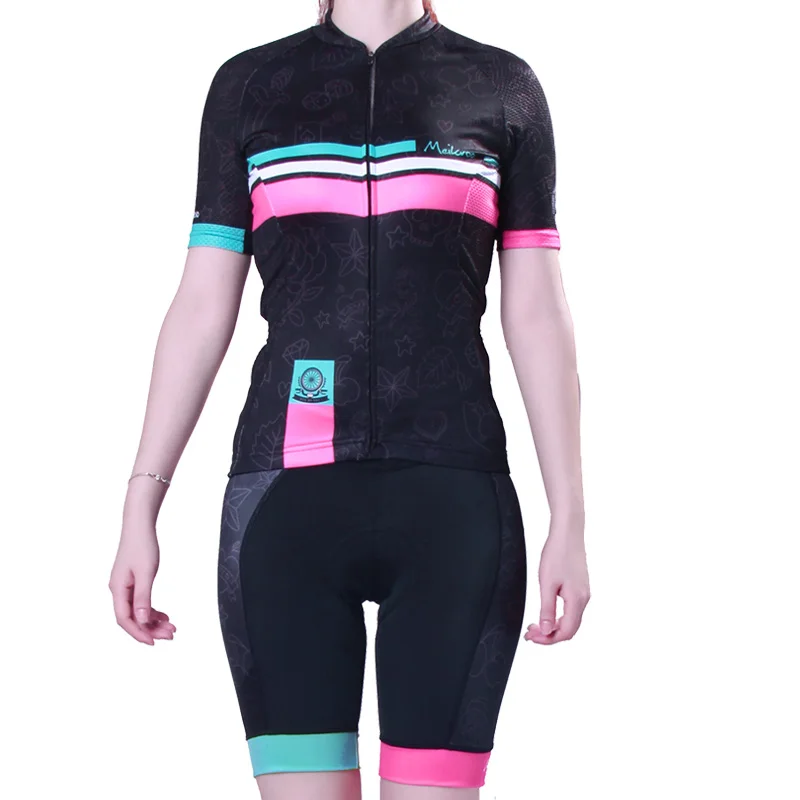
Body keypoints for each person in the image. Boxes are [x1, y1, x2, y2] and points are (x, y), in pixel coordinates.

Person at [108, 0, 590, 797]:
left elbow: (537, 312)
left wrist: (569, 517)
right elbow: (200, 304)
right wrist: (140, 501)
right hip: (284, 502)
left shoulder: (500, 87)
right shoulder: (251, 85)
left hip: (454, 501)